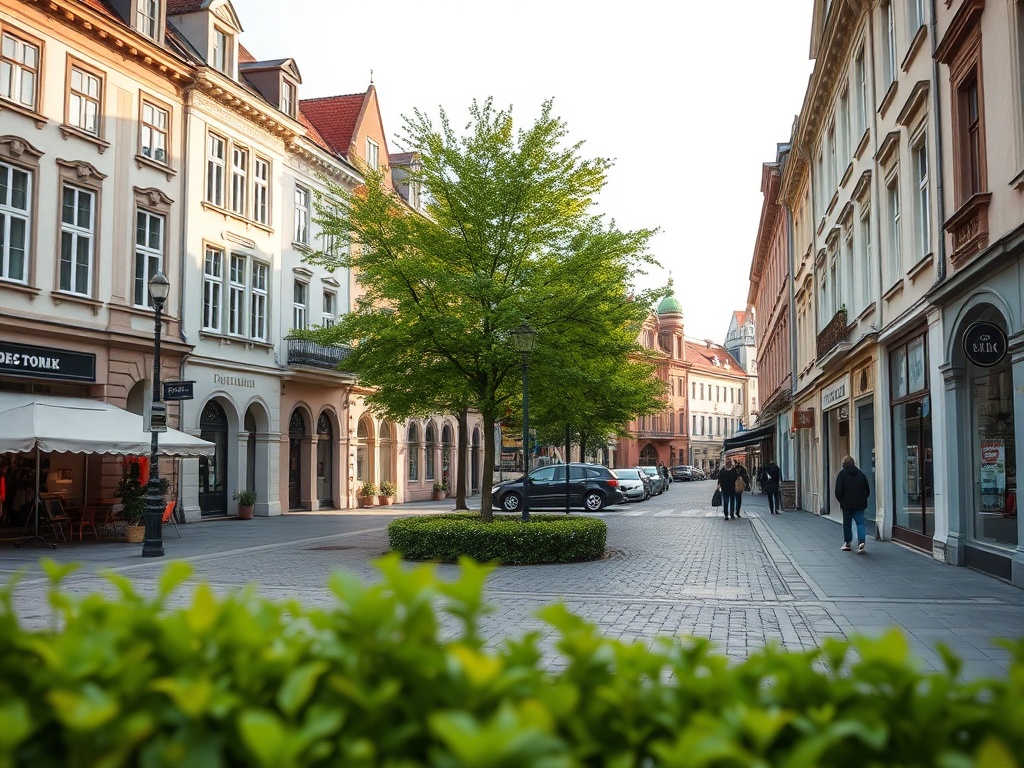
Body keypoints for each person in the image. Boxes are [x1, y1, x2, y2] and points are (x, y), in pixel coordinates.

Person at [835, 454, 870, 553]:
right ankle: (861, 541)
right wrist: (862, 499)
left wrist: (842, 501)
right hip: (860, 504)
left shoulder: (842, 474)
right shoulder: (861, 474)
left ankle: (847, 543)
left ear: (843, 464)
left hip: (846, 505)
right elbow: (867, 490)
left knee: (847, 524)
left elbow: (838, 491)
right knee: (860, 523)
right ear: (853, 463)